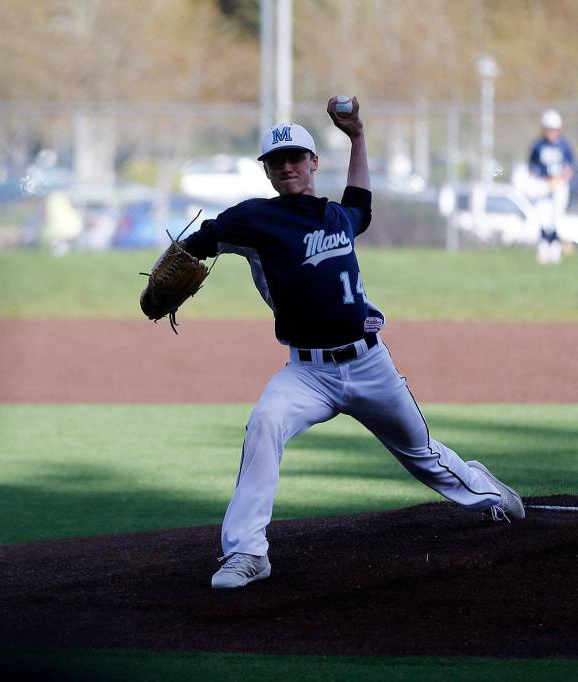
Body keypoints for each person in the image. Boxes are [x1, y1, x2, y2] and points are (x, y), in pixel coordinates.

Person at [177, 97, 526, 590]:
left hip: (369, 366)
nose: (288, 167)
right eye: (277, 162)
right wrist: (168, 267)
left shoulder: (339, 217)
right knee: (265, 424)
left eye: (296, 157)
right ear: (268, 171)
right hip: (306, 373)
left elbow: (361, 199)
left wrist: (358, 136)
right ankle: (247, 553)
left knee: (422, 455)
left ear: (313, 163)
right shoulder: (251, 220)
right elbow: (193, 245)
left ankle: (490, 492)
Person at [528, 108, 574, 264]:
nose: (552, 132)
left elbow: (570, 167)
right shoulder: (538, 145)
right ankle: (543, 247)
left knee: (556, 217)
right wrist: (541, 181)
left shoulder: (564, 145)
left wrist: (561, 179)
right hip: (543, 183)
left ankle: (554, 248)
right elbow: (532, 166)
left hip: (559, 184)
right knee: (543, 216)